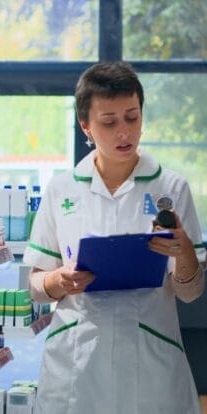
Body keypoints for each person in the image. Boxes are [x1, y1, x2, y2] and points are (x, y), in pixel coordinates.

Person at [23, 61, 206, 414]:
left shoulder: (171, 187)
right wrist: (60, 279)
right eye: (108, 122)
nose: (124, 132)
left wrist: (183, 252)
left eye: (132, 117)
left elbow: (189, 291)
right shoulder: (62, 190)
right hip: (77, 361)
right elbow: (34, 285)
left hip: (151, 357)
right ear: (85, 126)